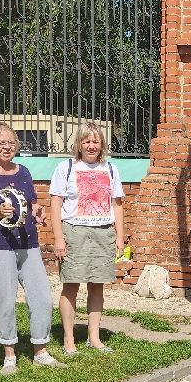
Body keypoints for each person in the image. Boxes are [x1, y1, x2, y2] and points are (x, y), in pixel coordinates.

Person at [0, 122, 61, 375]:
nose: (7, 147)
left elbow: (33, 204)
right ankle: (9, 355)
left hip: (28, 243)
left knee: (41, 297)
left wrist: (38, 213)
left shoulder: (23, 172)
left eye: (11, 143)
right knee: (6, 300)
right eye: (1, 143)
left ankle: (41, 350)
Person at [49, 123, 126, 355]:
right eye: (86, 141)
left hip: (103, 233)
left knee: (97, 287)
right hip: (75, 232)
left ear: (102, 144)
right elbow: (55, 203)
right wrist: (59, 237)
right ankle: (69, 339)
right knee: (70, 285)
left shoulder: (110, 169)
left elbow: (117, 204)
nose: (91, 146)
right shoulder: (66, 168)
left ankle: (94, 337)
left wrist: (120, 237)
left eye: (95, 141)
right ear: (79, 144)